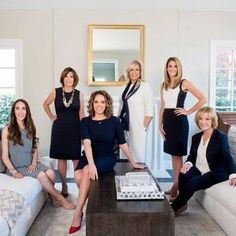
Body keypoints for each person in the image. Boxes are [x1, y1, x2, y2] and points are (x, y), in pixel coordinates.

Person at [69, 90, 145, 234]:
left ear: (107, 103)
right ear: (92, 103)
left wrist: (133, 162)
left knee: (85, 172)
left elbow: (122, 144)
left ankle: (78, 212)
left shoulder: (114, 121)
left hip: (107, 157)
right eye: (96, 101)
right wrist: (90, 164)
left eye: (102, 102)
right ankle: (94, 203)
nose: (99, 105)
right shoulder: (85, 121)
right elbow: (87, 143)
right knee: (79, 176)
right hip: (88, 156)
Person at [1, 99, 75, 210]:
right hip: (18, 166)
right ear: (13, 111)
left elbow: (34, 149)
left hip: (30, 163)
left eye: (23, 108)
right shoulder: (7, 129)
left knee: (51, 173)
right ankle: (60, 198)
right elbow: (4, 156)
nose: (20, 112)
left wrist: (34, 163)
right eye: (17, 108)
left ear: (27, 111)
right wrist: (13, 171)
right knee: (42, 175)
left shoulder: (30, 127)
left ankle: (52, 196)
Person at [171, 106, 236, 216]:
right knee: (183, 174)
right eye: (200, 118)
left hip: (215, 172)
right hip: (200, 168)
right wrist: (187, 164)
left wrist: (234, 175)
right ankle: (182, 203)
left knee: (192, 183)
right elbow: (192, 156)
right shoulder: (196, 137)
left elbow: (227, 157)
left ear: (212, 121)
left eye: (207, 119)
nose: (203, 122)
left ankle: (172, 209)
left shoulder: (220, 137)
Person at [159, 57, 206, 200]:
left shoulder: (183, 83)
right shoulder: (163, 85)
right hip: (167, 122)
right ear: (166, 68)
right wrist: (160, 125)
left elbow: (203, 98)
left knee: (178, 155)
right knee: (173, 156)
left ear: (179, 68)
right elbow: (162, 106)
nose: (172, 68)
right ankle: (175, 184)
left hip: (179, 123)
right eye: (169, 66)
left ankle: (176, 187)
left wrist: (188, 111)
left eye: (174, 66)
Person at [43, 67, 84, 197]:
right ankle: (64, 185)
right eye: (66, 76)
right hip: (59, 130)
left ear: (74, 79)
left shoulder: (79, 94)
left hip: (75, 130)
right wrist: (51, 116)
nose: (68, 79)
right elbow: (45, 104)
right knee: (62, 159)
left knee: (76, 159)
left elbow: (81, 114)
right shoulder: (55, 92)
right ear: (63, 78)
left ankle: (80, 187)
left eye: (71, 76)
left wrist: (84, 133)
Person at [119, 59, 153, 163]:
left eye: (137, 69)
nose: (134, 72)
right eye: (131, 70)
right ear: (128, 72)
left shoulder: (145, 87)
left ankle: (138, 179)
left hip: (138, 128)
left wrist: (143, 128)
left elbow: (149, 112)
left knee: (138, 158)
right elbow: (121, 107)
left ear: (140, 72)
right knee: (126, 157)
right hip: (125, 127)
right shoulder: (125, 87)